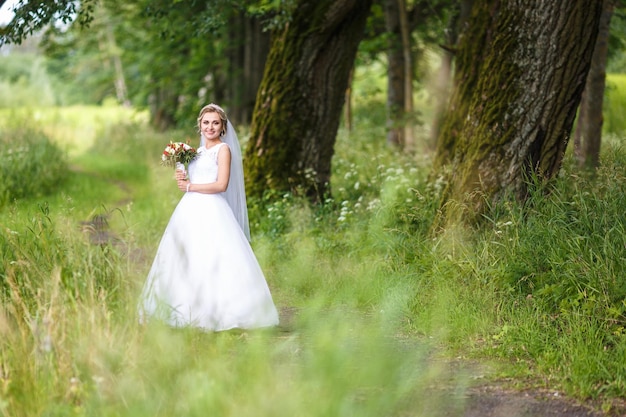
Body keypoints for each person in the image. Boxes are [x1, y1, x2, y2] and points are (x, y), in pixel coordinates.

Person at [138, 103, 279, 331]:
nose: (210, 127)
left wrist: (191, 186)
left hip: (213, 209)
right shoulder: (196, 152)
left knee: (216, 256)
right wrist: (182, 177)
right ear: (200, 126)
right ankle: (184, 309)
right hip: (189, 210)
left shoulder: (223, 150)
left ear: (223, 127)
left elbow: (221, 184)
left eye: (215, 123)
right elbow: (188, 183)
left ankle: (222, 312)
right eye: (206, 123)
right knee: (186, 256)